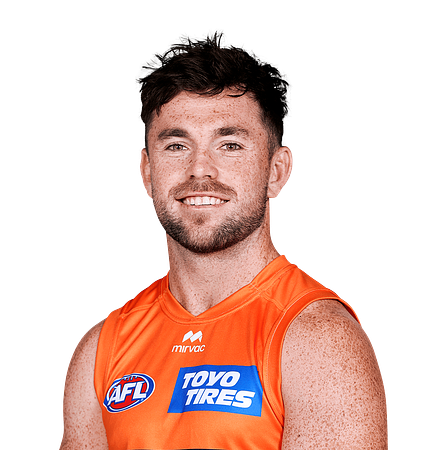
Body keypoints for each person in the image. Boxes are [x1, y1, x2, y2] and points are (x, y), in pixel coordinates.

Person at [59, 30, 388, 449]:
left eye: (229, 144)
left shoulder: (319, 339)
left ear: (277, 171)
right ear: (146, 172)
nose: (200, 169)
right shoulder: (99, 348)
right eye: (176, 145)